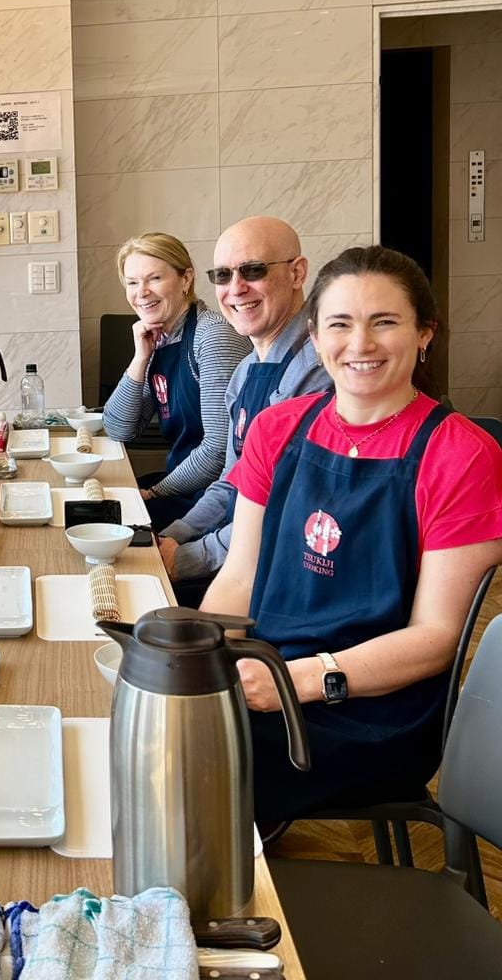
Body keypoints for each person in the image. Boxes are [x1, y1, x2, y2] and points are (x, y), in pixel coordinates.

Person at [203, 245, 502, 830]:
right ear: (315, 337)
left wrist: (298, 680)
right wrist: (203, 656)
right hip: (267, 668)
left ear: (424, 333)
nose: (360, 344)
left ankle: (230, 880)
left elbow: (436, 637)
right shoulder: (276, 429)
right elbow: (239, 577)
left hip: (374, 706)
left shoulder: (462, 455)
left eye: (384, 322)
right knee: (152, 719)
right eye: (340, 324)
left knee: (191, 761)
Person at [158, 217, 331, 605]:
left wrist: (186, 559)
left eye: (253, 270)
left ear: (297, 273)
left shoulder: (319, 370)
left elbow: (285, 511)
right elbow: (232, 480)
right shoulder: (246, 370)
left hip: (283, 576)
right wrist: (175, 534)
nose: (236, 288)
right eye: (222, 275)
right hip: (235, 553)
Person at [101, 232, 245, 531]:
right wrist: (140, 358)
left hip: (213, 499)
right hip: (181, 483)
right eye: (132, 283)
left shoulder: (213, 336)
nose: (142, 293)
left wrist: (155, 493)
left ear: (186, 279)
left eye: (154, 278)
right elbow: (119, 429)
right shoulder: (159, 338)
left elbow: (219, 451)